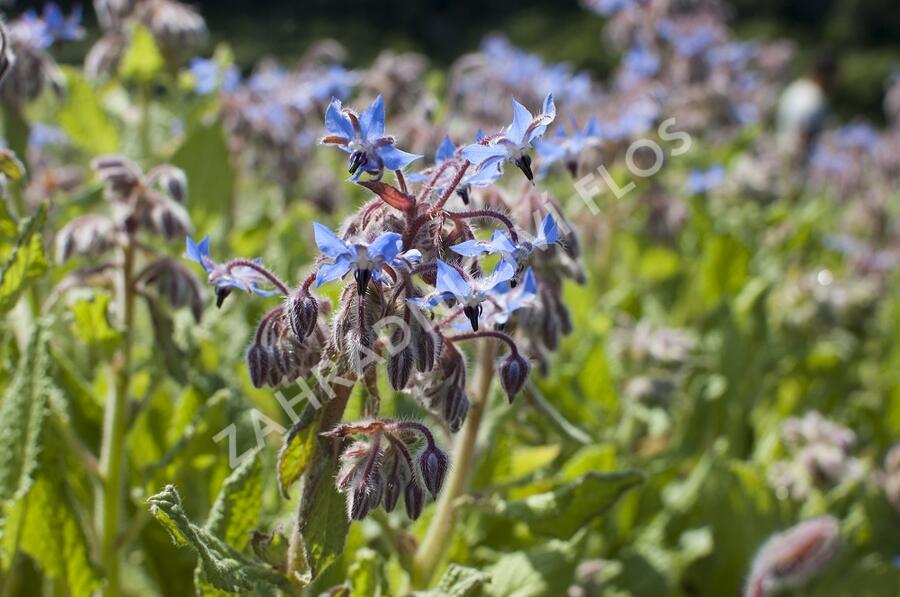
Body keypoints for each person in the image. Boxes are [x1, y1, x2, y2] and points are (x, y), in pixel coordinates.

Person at [776, 51, 838, 163]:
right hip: (796, 160)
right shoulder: (815, 98)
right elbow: (804, 132)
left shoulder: (794, 88)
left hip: (779, 154)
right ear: (824, 74)